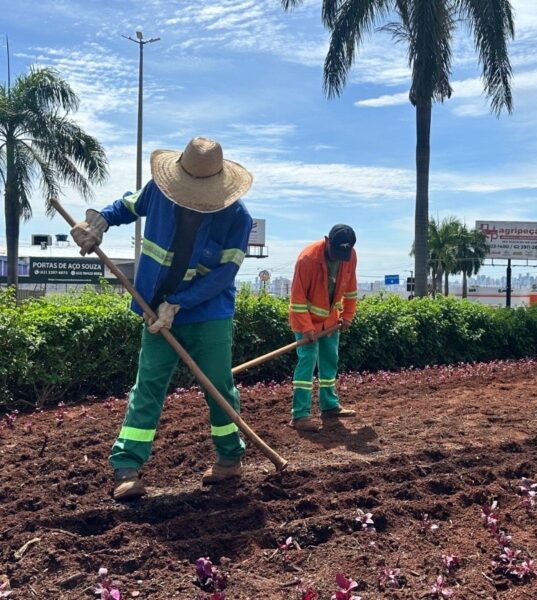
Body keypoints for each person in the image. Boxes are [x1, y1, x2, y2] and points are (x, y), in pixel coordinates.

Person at [70, 137, 253, 501]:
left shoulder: (237, 216)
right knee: (148, 385)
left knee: (217, 386)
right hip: (155, 311)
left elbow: (222, 276)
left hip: (208, 315)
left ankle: (230, 457)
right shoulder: (159, 191)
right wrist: (97, 222)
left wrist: (180, 304)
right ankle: (126, 465)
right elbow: (125, 206)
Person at [288, 225, 358, 431]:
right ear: (327, 241)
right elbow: (298, 298)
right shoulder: (308, 259)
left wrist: (347, 315)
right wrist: (307, 328)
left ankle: (329, 406)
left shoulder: (349, 256)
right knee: (307, 361)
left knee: (329, 361)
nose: (339, 257)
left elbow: (351, 289)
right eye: (336, 252)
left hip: (330, 321)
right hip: (306, 320)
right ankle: (299, 415)